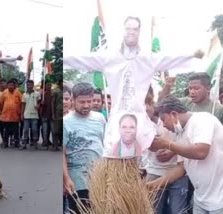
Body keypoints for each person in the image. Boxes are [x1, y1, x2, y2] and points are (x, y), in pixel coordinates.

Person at [64, 16, 204, 156]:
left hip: (139, 117)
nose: (131, 32)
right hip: (117, 115)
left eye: (135, 29)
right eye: (128, 28)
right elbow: (83, 59)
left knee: (140, 154)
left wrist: (191, 55)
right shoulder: (110, 57)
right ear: (123, 31)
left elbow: (169, 58)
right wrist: (63, 58)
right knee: (114, 153)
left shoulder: (147, 58)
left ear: (139, 32)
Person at [148, 96, 223, 214]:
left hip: (219, 200)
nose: (163, 125)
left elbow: (201, 152)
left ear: (173, 114)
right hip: (200, 199)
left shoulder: (202, 120)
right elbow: (180, 169)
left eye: (164, 120)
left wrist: (168, 144)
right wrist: (153, 185)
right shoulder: (180, 134)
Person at [144, 89, 189, 214]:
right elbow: (151, 146)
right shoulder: (140, 124)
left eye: (147, 104)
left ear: (152, 104)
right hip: (155, 171)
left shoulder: (174, 120)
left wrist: (172, 150)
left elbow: (188, 143)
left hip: (178, 171)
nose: (145, 109)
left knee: (178, 210)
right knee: (153, 210)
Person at [63, 82, 105, 214]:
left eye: (89, 101)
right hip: (77, 182)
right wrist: (66, 179)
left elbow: (104, 145)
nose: (86, 105)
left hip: (99, 179)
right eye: (82, 102)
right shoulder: (65, 122)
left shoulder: (100, 118)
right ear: (73, 100)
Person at [0, 79, 22, 148]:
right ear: (7, 86)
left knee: (16, 130)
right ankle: (5, 143)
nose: (10, 86)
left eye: (12, 85)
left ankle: (17, 143)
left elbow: (22, 102)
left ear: (14, 86)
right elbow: (0, 103)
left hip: (15, 116)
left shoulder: (17, 93)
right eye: (9, 85)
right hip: (6, 116)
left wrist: (20, 112)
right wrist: (2, 110)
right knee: (6, 130)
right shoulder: (5, 92)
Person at [21, 80, 41, 149]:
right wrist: (22, 114)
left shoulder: (37, 94)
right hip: (26, 115)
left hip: (34, 115)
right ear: (26, 86)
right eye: (28, 85)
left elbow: (39, 103)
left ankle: (35, 143)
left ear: (33, 85)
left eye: (30, 85)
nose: (29, 86)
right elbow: (23, 105)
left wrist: (38, 105)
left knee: (34, 130)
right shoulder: (24, 94)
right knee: (25, 130)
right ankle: (24, 144)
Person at [39, 81, 52, 148]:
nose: (49, 86)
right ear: (44, 86)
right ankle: (44, 141)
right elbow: (38, 103)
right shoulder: (42, 94)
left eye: (50, 85)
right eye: (47, 85)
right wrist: (41, 103)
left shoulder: (52, 93)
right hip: (44, 114)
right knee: (44, 128)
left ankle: (47, 140)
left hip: (51, 114)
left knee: (49, 128)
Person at [52, 78, 64, 150]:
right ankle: (55, 145)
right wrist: (53, 113)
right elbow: (53, 102)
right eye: (62, 83)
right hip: (58, 112)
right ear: (59, 84)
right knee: (56, 130)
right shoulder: (56, 91)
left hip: (65, 112)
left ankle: (63, 144)